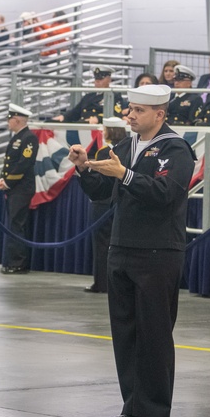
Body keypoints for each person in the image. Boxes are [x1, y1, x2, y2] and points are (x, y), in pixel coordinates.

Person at [69, 84, 195, 417]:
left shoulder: (175, 149)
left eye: (139, 110)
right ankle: (133, 406)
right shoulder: (124, 147)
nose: (130, 115)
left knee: (154, 333)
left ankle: (156, 409)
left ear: (160, 114)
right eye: (130, 109)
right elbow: (101, 193)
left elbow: (165, 194)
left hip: (158, 251)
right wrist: (83, 169)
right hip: (122, 249)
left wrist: (123, 174)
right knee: (125, 332)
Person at [82, 117, 128, 294]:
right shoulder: (127, 149)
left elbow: (99, 183)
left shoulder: (104, 153)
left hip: (103, 204)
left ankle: (101, 283)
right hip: (120, 204)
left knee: (102, 245)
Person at [0, 103, 39, 275]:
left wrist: (7, 182)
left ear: (16, 120)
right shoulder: (17, 137)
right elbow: (9, 162)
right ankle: (12, 260)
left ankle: (18, 263)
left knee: (16, 224)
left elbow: (23, 164)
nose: (8, 122)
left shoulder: (29, 138)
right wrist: (3, 178)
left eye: (10, 119)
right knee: (13, 224)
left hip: (21, 188)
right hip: (14, 188)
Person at [52, 67, 124, 123]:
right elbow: (75, 112)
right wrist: (64, 117)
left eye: (101, 79)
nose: (97, 82)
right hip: (83, 125)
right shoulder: (88, 97)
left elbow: (116, 115)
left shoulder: (114, 96)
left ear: (109, 80)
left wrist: (98, 119)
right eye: (96, 79)